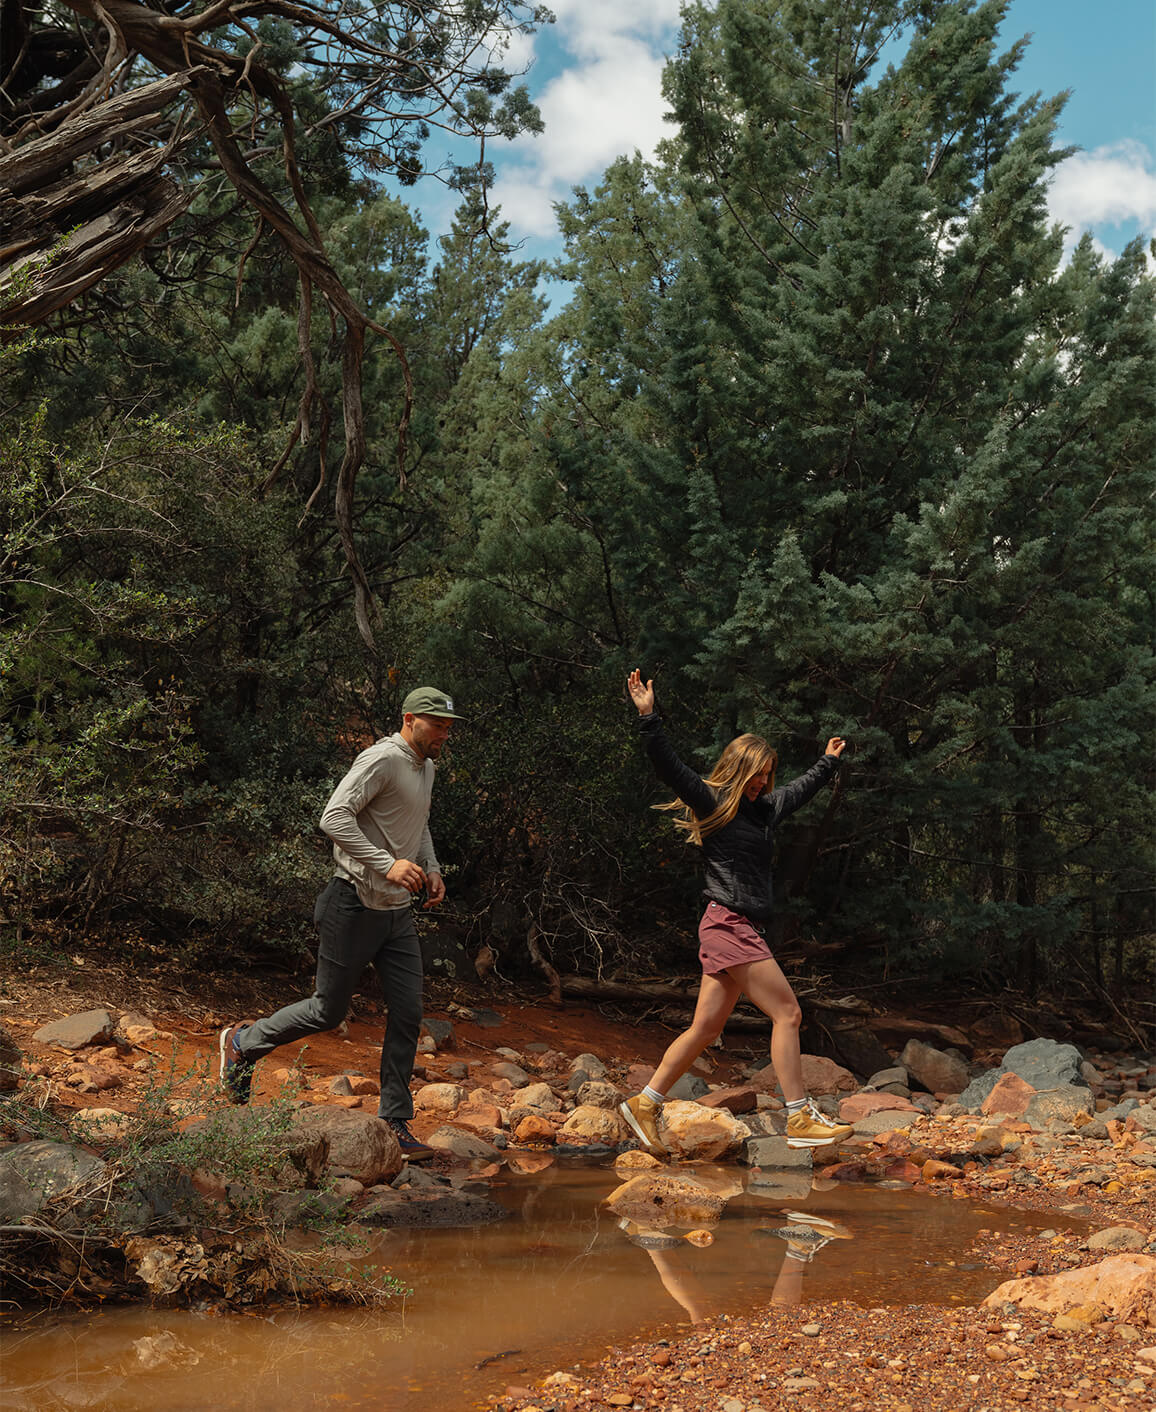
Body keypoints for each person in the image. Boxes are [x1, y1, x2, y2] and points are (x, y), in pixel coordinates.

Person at [219, 686, 462, 1160]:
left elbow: (420, 824)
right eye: (437, 724)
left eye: (448, 726)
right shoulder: (381, 760)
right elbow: (333, 817)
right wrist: (386, 863)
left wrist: (431, 867)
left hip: (396, 912)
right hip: (351, 904)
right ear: (409, 719)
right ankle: (243, 1043)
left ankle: (394, 1122)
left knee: (409, 1012)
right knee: (327, 1011)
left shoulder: (426, 767)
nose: (444, 734)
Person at [619, 668, 854, 1155]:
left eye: (769, 774)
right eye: (757, 773)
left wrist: (827, 763)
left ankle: (645, 1102)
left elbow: (802, 788)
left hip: (734, 926)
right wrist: (648, 716)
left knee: (706, 1028)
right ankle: (799, 1118)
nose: (764, 782)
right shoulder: (714, 803)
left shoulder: (767, 809)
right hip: (727, 921)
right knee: (787, 1012)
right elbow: (670, 766)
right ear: (740, 768)